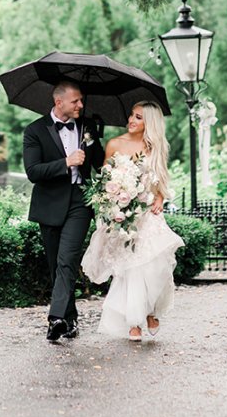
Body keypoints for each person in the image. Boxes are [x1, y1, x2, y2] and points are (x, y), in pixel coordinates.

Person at [81, 101, 184, 341]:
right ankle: (134, 322)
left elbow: (160, 179)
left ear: (150, 123)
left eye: (138, 117)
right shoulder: (115, 144)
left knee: (155, 265)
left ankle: (151, 310)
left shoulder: (156, 148)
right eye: (131, 115)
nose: (131, 120)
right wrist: (115, 201)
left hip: (148, 213)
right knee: (131, 269)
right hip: (123, 216)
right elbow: (106, 181)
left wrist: (160, 197)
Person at [23, 80, 105, 342]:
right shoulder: (34, 131)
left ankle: (55, 317)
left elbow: (101, 162)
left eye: (81, 100)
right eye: (75, 101)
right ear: (59, 102)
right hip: (49, 205)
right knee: (55, 265)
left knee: (66, 259)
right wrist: (65, 162)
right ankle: (69, 320)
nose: (81, 105)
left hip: (80, 201)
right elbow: (33, 172)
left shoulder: (88, 127)